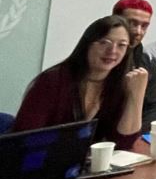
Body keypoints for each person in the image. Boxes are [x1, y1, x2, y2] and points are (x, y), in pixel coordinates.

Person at [15, 16, 147, 150]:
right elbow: (24, 139)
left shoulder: (118, 84)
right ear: (87, 44)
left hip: (87, 166)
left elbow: (123, 143)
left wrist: (137, 94)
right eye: (104, 42)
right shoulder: (52, 81)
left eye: (121, 45)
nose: (112, 51)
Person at [111, 0, 156, 131]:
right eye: (132, 23)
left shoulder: (147, 62)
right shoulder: (98, 57)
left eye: (144, 26)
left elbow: (155, 107)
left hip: (133, 136)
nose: (138, 31)